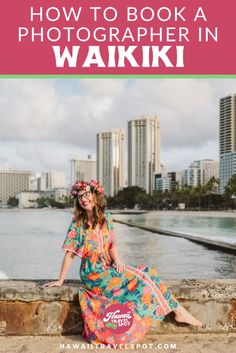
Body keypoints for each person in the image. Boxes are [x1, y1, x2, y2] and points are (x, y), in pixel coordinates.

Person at [44, 180, 203, 345]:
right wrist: (60, 280)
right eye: (79, 197)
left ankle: (178, 311)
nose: (83, 199)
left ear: (95, 195)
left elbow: (112, 244)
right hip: (93, 273)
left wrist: (118, 262)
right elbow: (69, 254)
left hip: (108, 267)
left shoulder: (107, 218)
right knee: (146, 275)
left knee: (149, 272)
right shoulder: (77, 222)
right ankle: (179, 311)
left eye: (86, 194)